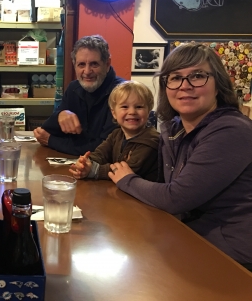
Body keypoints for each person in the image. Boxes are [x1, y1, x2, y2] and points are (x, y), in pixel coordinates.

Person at [108, 44, 252, 268]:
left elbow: (176, 198)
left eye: (197, 76)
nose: (185, 86)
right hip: (190, 239)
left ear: (218, 85)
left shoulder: (231, 130)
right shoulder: (174, 129)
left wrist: (127, 180)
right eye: (175, 78)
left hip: (232, 258)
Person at [34, 35, 125, 156]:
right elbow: (46, 131)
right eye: (81, 64)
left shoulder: (122, 94)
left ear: (107, 64)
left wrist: (51, 141)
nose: (87, 71)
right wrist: (60, 115)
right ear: (74, 64)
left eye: (94, 64)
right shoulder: (73, 88)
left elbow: (103, 149)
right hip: (76, 166)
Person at [69, 81, 159, 182]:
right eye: (125, 107)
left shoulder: (152, 141)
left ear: (149, 111)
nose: (132, 112)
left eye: (139, 107)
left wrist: (94, 170)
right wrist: (85, 163)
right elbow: (100, 154)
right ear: (114, 113)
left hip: (142, 196)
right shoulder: (116, 134)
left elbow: (126, 172)